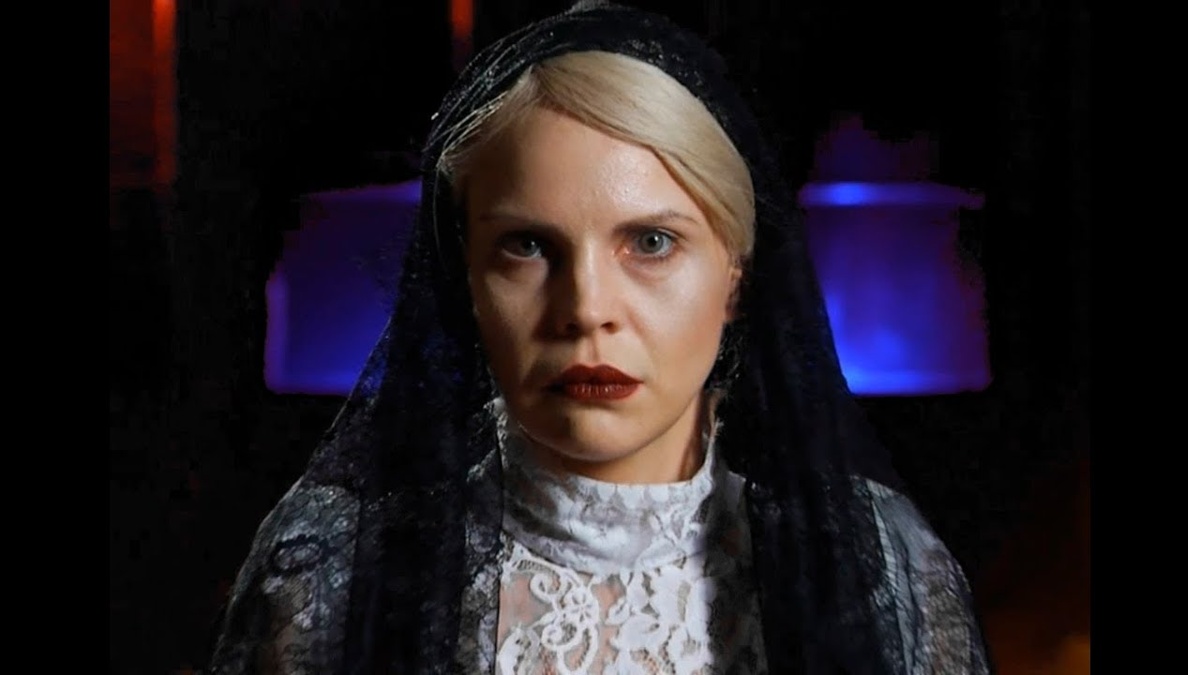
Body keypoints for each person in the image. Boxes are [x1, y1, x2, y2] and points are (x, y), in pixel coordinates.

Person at [207, 2, 991, 673]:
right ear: (464, 278)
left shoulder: (878, 568)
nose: (586, 309)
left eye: (651, 242)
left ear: (736, 276)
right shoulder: (333, 582)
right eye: (527, 245)